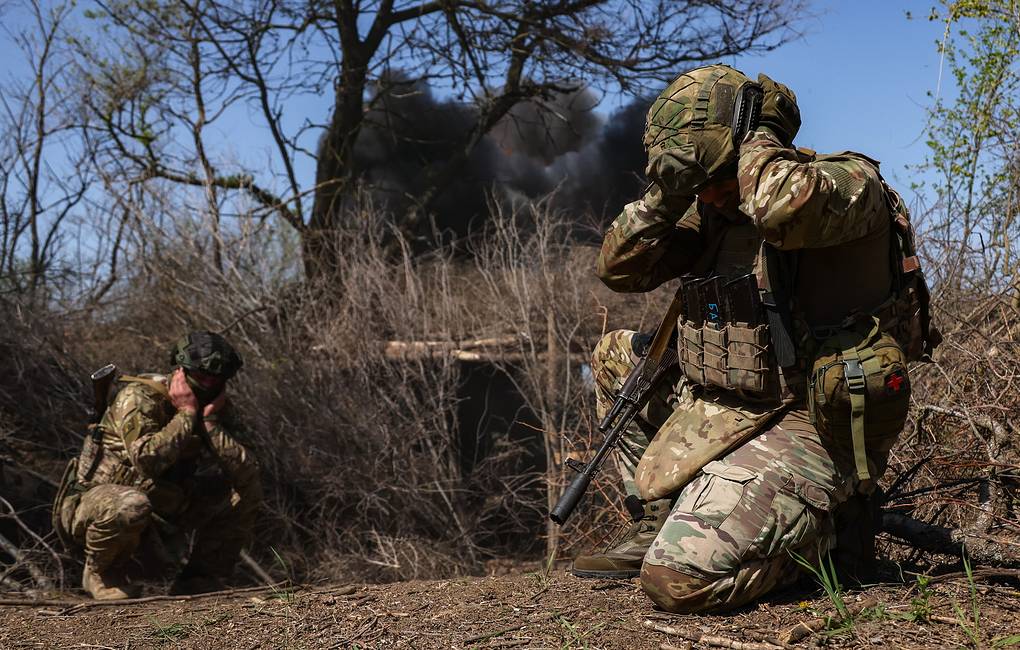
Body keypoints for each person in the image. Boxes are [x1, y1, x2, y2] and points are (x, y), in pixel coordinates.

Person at [571, 64, 935, 612]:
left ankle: (830, 537)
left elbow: (778, 209)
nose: (712, 198)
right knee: (616, 355)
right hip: (727, 402)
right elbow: (619, 268)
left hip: (809, 418)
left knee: (675, 580)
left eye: (716, 181)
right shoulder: (717, 213)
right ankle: (659, 519)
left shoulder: (844, 184)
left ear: (747, 149)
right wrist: (670, 193)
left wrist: (758, 132)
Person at [53, 331, 262, 600]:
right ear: (181, 369)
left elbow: (248, 472)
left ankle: (199, 580)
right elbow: (147, 461)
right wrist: (186, 414)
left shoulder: (215, 406)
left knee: (246, 493)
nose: (209, 383)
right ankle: (99, 574)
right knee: (132, 503)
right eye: (202, 375)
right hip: (97, 507)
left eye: (217, 378)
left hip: (161, 508)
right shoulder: (140, 397)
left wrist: (210, 424)